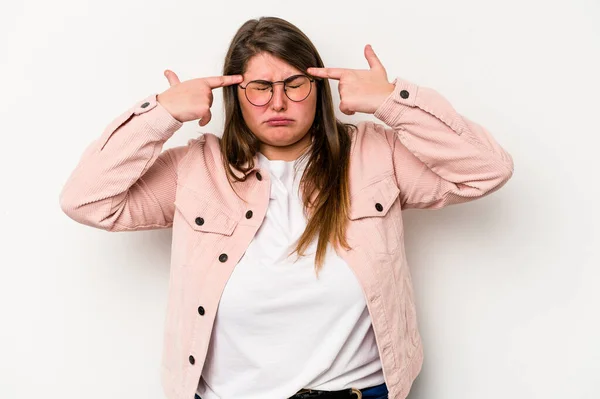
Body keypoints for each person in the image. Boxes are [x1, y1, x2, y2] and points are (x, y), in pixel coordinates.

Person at [59, 16, 514, 399]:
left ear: (319, 87)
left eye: (294, 84)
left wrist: (392, 101)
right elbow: (87, 200)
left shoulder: (376, 155)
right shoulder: (197, 168)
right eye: (259, 87)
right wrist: (159, 113)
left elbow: (486, 170)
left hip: (356, 392)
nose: (277, 102)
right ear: (236, 96)